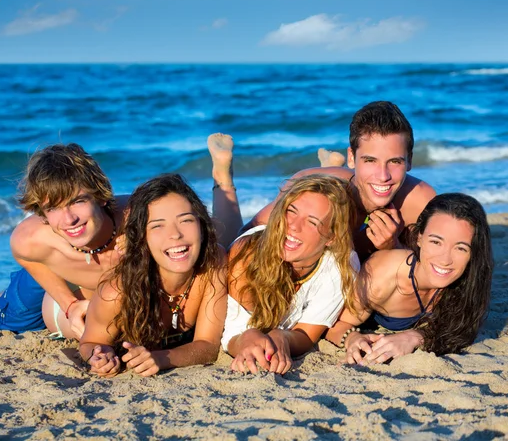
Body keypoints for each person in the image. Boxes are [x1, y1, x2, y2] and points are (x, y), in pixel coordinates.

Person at [208, 133, 359, 375]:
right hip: (252, 244)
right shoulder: (246, 259)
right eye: (291, 211)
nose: (293, 226)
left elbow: (308, 333)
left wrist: (283, 337)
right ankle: (223, 174)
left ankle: (328, 170)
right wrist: (246, 338)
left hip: (309, 246)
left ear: (332, 238)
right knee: (224, 240)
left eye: (312, 222)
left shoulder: (342, 264)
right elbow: (231, 331)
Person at [244, 101, 436, 261]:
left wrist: (393, 246)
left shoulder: (421, 202)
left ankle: (330, 163)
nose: (383, 175)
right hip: (332, 184)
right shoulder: (308, 188)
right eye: (370, 160)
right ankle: (224, 178)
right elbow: (246, 236)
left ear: (409, 160)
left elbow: (433, 272)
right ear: (352, 157)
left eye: (394, 161)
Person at [79, 174, 226, 377]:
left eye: (186, 220)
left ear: (201, 225)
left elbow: (208, 347)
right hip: (77, 304)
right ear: (142, 237)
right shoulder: (116, 292)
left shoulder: (213, 262)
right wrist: (98, 355)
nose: (175, 234)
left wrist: (161, 358)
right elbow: (89, 342)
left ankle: (223, 176)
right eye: (157, 225)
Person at [327, 193, 493, 363]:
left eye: (460, 248)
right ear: (419, 238)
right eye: (436, 242)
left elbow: (464, 330)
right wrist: (352, 338)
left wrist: (415, 337)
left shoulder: (468, 279)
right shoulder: (381, 276)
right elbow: (334, 325)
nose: (445, 260)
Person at [0, 143, 128, 339]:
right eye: (53, 208)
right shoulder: (31, 239)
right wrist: (69, 304)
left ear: (100, 195)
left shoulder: (138, 218)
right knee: (2, 323)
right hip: (55, 264)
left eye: (77, 201)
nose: (69, 219)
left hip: (92, 281)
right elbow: (22, 252)